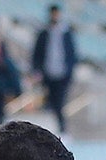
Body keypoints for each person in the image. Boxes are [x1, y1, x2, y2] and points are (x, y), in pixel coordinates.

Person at [30, 4, 75, 134]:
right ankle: (51, 129)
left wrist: (69, 71)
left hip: (62, 74)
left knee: (59, 102)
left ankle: (62, 128)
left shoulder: (66, 33)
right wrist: (37, 70)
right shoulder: (43, 33)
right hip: (47, 73)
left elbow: (72, 54)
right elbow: (36, 54)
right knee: (49, 102)